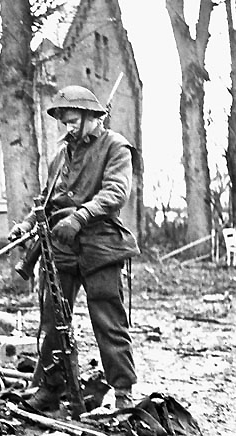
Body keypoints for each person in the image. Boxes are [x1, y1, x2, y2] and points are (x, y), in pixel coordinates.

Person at [8, 85, 140, 411]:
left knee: (108, 320)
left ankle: (123, 392)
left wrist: (81, 217)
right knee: (53, 321)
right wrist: (26, 225)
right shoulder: (61, 156)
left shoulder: (116, 147)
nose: (69, 127)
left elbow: (115, 194)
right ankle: (50, 390)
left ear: (94, 117)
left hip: (101, 245)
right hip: (63, 248)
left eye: (74, 120)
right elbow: (49, 201)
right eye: (65, 121)